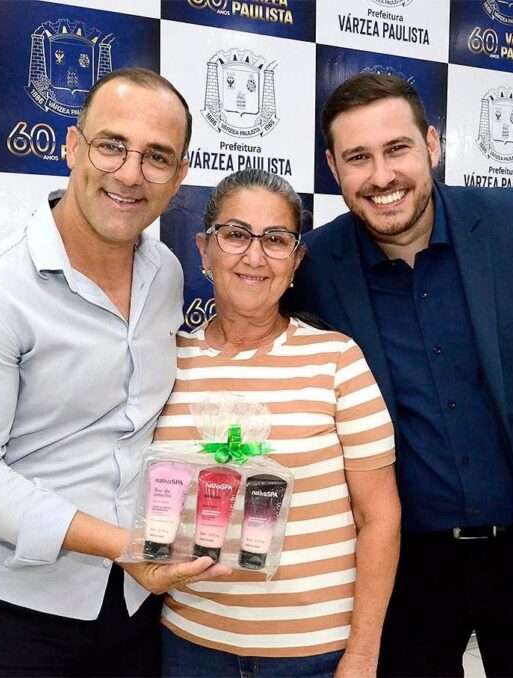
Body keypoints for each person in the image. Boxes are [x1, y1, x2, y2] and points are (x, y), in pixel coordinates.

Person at [284, 73, 513, 677]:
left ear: (432, 146)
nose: (382, 176)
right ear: (333, 168)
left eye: (397, 148)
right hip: (403, 568)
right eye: (358, 157)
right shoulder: (313, 267)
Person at [0, 68, 229, 677]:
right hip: (9, 609)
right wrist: (124, 546)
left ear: (179, 175)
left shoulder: (165, 272)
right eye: (112, 145)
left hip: (134, 602)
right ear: (73, 147)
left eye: (157, 157)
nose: (130, 173)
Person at [153, 168, 401, 677]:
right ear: (204, 249)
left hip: (316, 655)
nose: (254, 256)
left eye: (275, 239)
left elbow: (380, 517)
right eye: (235, 234)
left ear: (296, 260)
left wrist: (363, 653)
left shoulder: (337, 359)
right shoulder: (165, 360)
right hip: (192, 645)